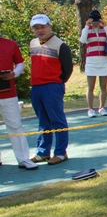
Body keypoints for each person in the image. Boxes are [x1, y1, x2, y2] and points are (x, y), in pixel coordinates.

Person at [29, 14, 74, 166]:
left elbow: (67, 68)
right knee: (43, 121)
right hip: (36, 87)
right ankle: (43, 151)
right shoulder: (33, 43)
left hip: (52, 86)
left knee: (57, 119)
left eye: (43, 27)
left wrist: (58, 82)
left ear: (49, 26)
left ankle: (61, 152)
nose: (40, 30)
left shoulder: (60, 45)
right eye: (36, 28)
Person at [0, 29, 37, 169]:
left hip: (8, 93)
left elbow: (20, 63)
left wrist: (14, 73)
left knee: (15, 125)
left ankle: (23, 159)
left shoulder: (10, 44)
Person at [79, 9, 107, 117]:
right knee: (91, 86)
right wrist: (86, 26)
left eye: (97, 21)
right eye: (93, 21)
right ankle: (90, 109)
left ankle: (102, 107)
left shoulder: (103, 29)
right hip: (91, 60)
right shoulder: (87, 30)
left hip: (103, 59)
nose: (95, 23)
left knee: (103, 86)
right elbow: (82, 40)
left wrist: (105, 26)